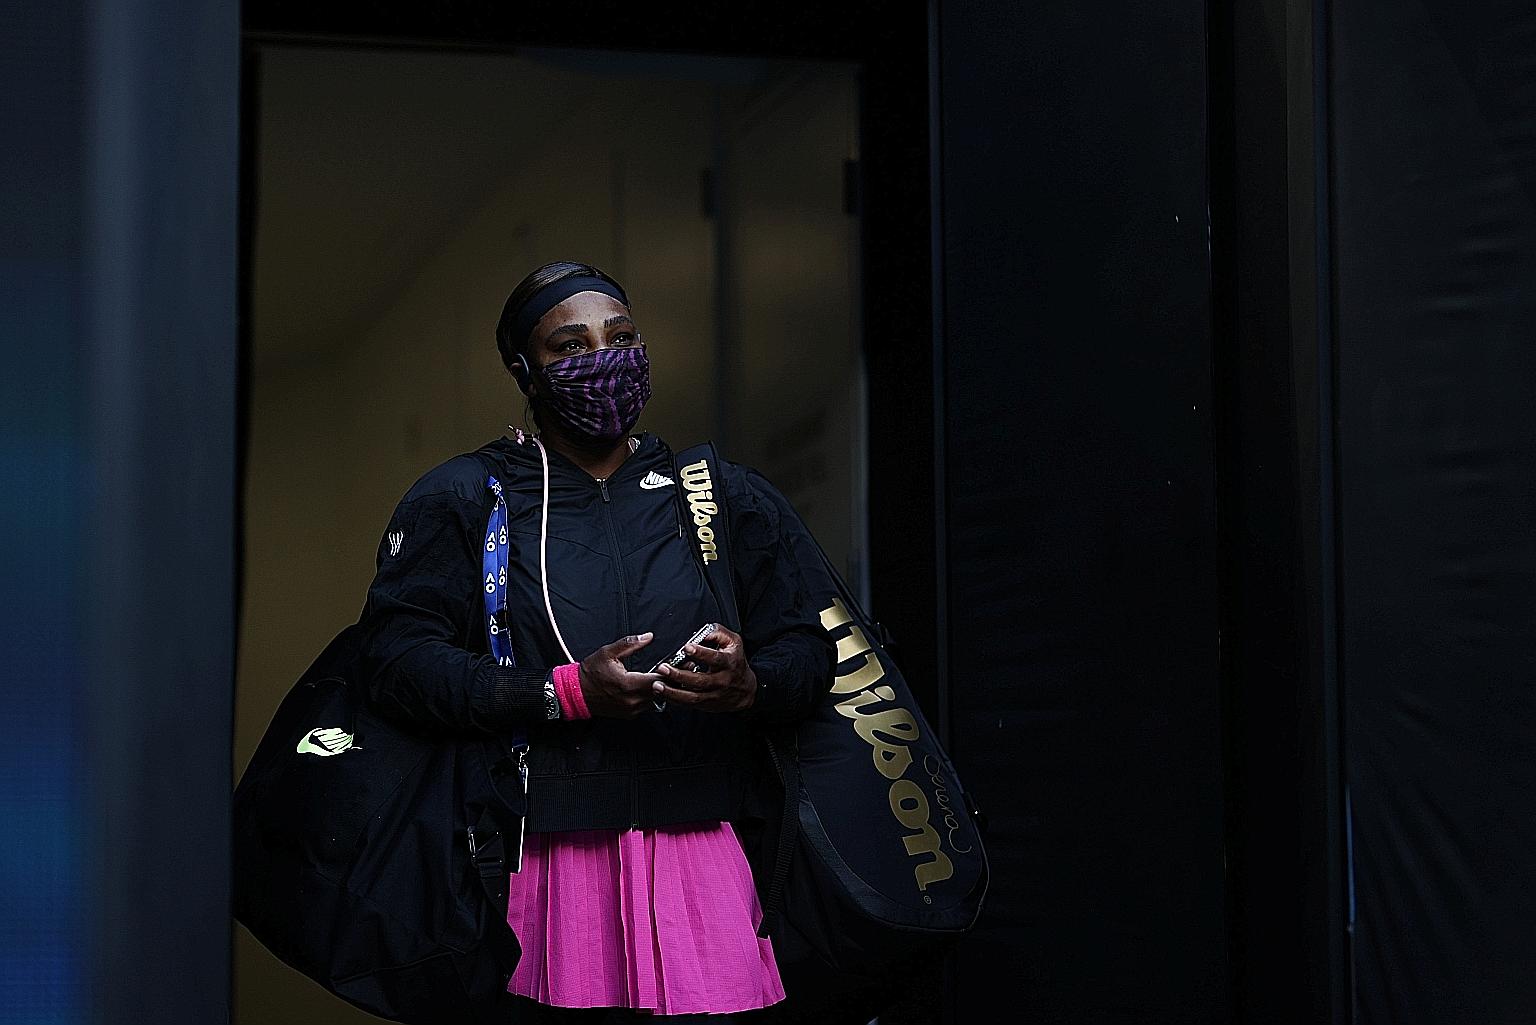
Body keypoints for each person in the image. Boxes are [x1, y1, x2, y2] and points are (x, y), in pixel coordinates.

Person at [351, 260, 836, 1023]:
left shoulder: (716, 493)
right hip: (542, 860)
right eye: (569, 347)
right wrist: (562, 692)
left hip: (706, 848)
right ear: (524, 371)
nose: (603, 359)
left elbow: (813, 652)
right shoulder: (469, 496)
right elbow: (393, 662)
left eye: (622, 336)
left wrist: (752, 683)